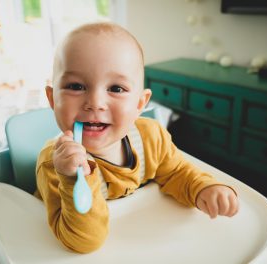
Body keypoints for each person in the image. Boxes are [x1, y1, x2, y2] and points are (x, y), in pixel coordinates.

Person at [35, 22, 239, 253]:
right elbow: (83, 242)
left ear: (140, 103)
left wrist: (203, 188)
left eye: (116, 88)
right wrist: (73, 178)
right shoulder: (55, 165)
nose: (95, 103)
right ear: (52, 99)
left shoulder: (150, 137)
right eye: (76, 86)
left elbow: (176, 172)